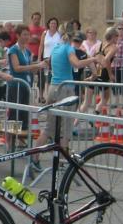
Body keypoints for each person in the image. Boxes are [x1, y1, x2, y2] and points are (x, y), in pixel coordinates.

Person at [30, 33, 96, 164]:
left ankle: (34, 158)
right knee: (66, 128)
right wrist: (93, 59)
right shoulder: (68, 48)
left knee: (49, 127)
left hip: (53, 87)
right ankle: (62, 161)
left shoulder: (56, 47)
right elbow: (76, 63)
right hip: (65, 89)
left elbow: (49, 63)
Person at [7, 24, 47, 132]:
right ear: (18, 35)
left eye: (28, 35)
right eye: (24, 34)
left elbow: (29, 67)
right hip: (16, 85)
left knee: (24, 112)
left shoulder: (27, 51)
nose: (27, 37)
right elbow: (17, 68)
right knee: (15, 112)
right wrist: (36, 66)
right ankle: (12, 136)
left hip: (26, 84)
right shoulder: (13, 50)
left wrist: (40, 65)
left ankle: (22, 135)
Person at [37, 17, 61, 103]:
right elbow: (41, 46)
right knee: (42, 78)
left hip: (56, 59)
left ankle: (50, 96)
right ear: (48, 24)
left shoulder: (59, 34)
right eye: (51, 23)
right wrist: (39, 58)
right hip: (46, 58)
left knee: (51, 78)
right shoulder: (45, 33)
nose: (53, 25)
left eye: (55, 23)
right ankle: (41, 96)